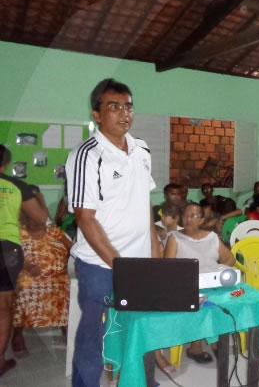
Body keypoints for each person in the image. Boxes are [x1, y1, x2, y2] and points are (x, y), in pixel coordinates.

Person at [66, 79, 161, 387]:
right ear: (96, 113)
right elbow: (85, 218)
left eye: (128, 106)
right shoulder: (87, 155)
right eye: (114, 107)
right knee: (96, 335)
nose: (124, 114)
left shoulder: (142, 149)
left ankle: (138, 381)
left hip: (139, 263)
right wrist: (119, 266)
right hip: (100, 266)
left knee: (138, 329)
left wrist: (155, 253)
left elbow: (144, 204)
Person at [164, 203, 235, 363]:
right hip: (186, 286)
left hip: (210, 284)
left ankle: (214, 341)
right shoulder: (175, 238)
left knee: (223, 299)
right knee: (201, 302)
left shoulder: (212, 237)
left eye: (193, 215)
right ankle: (199, 345)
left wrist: (216, 271)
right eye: (185, 215)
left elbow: (230, 259)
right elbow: (167, 268)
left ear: (202, 219)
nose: (188, 219)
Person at [0, 145, 48, 376]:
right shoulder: (16, 185)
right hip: (6, 249)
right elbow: (40, 218)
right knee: (4, 307)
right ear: (7, 164)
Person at [12, 190, 72, 356]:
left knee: (64, 287)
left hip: (57, 277)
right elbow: (11, 256)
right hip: (29, 277)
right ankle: (17, 335)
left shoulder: (54, 231)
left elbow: (72, 249)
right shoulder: (17, 233)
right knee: (24, 287)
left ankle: (66, 329)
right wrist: (28, 266)